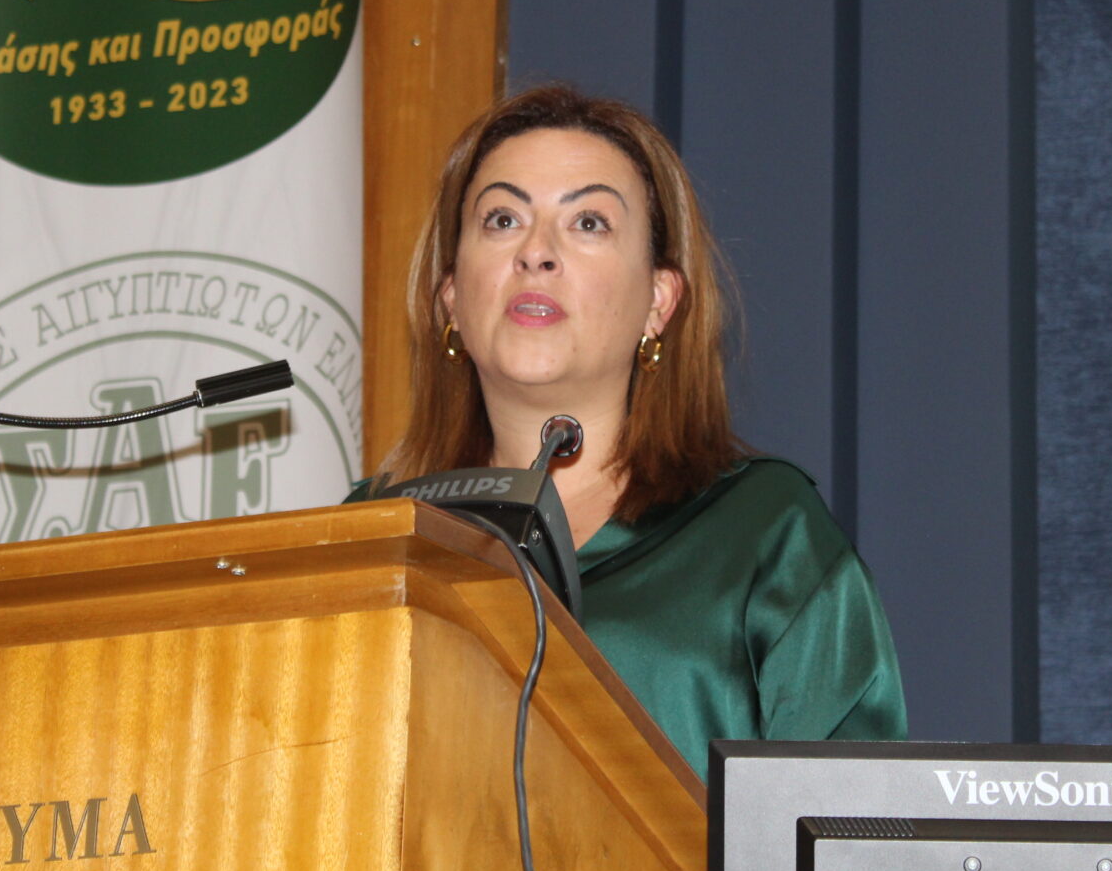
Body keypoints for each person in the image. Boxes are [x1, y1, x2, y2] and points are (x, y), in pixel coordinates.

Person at [357, 84, 904, 779]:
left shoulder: (767, 537)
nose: (536, 253)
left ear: (658, 301)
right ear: (452, 299)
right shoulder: (372, 538)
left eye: (588, 223)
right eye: (502, 219)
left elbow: (846, 826)